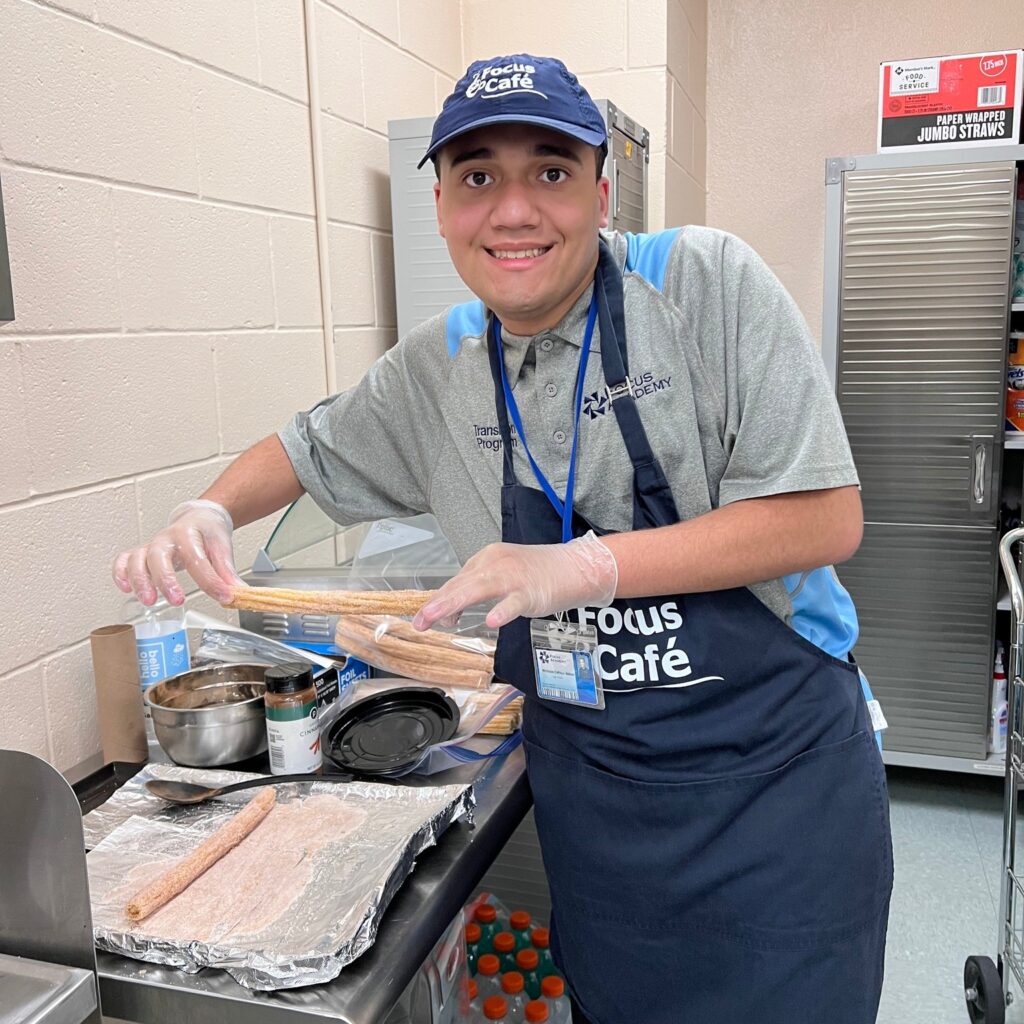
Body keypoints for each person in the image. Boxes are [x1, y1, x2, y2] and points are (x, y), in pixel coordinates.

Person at [113, 54, 892, 1023]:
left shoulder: (702, 286)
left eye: (551, 172)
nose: (513, 210)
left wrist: (589, 563)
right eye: (478, 176)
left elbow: (826, 516)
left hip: (775, 800)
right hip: (603, 813)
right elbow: (308, 445)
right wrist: (211, 508)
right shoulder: (440, 364)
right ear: (441, 204)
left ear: (603, 191)